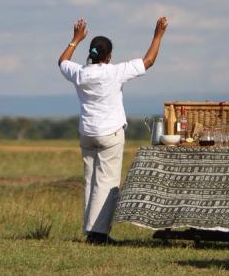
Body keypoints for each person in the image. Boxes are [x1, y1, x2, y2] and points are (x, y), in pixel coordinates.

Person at [58, 16, 168, 244]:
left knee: (90, 181)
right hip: (110, 134)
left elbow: (62, 61)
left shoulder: (80, 74)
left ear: (91, 53)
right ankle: (99, 235)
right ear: (109, 56)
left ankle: (91, 231)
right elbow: (149, 61)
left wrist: (74, 40)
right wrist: (158, 35)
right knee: (107, 184)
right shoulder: (115, 72)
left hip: (87, 134)